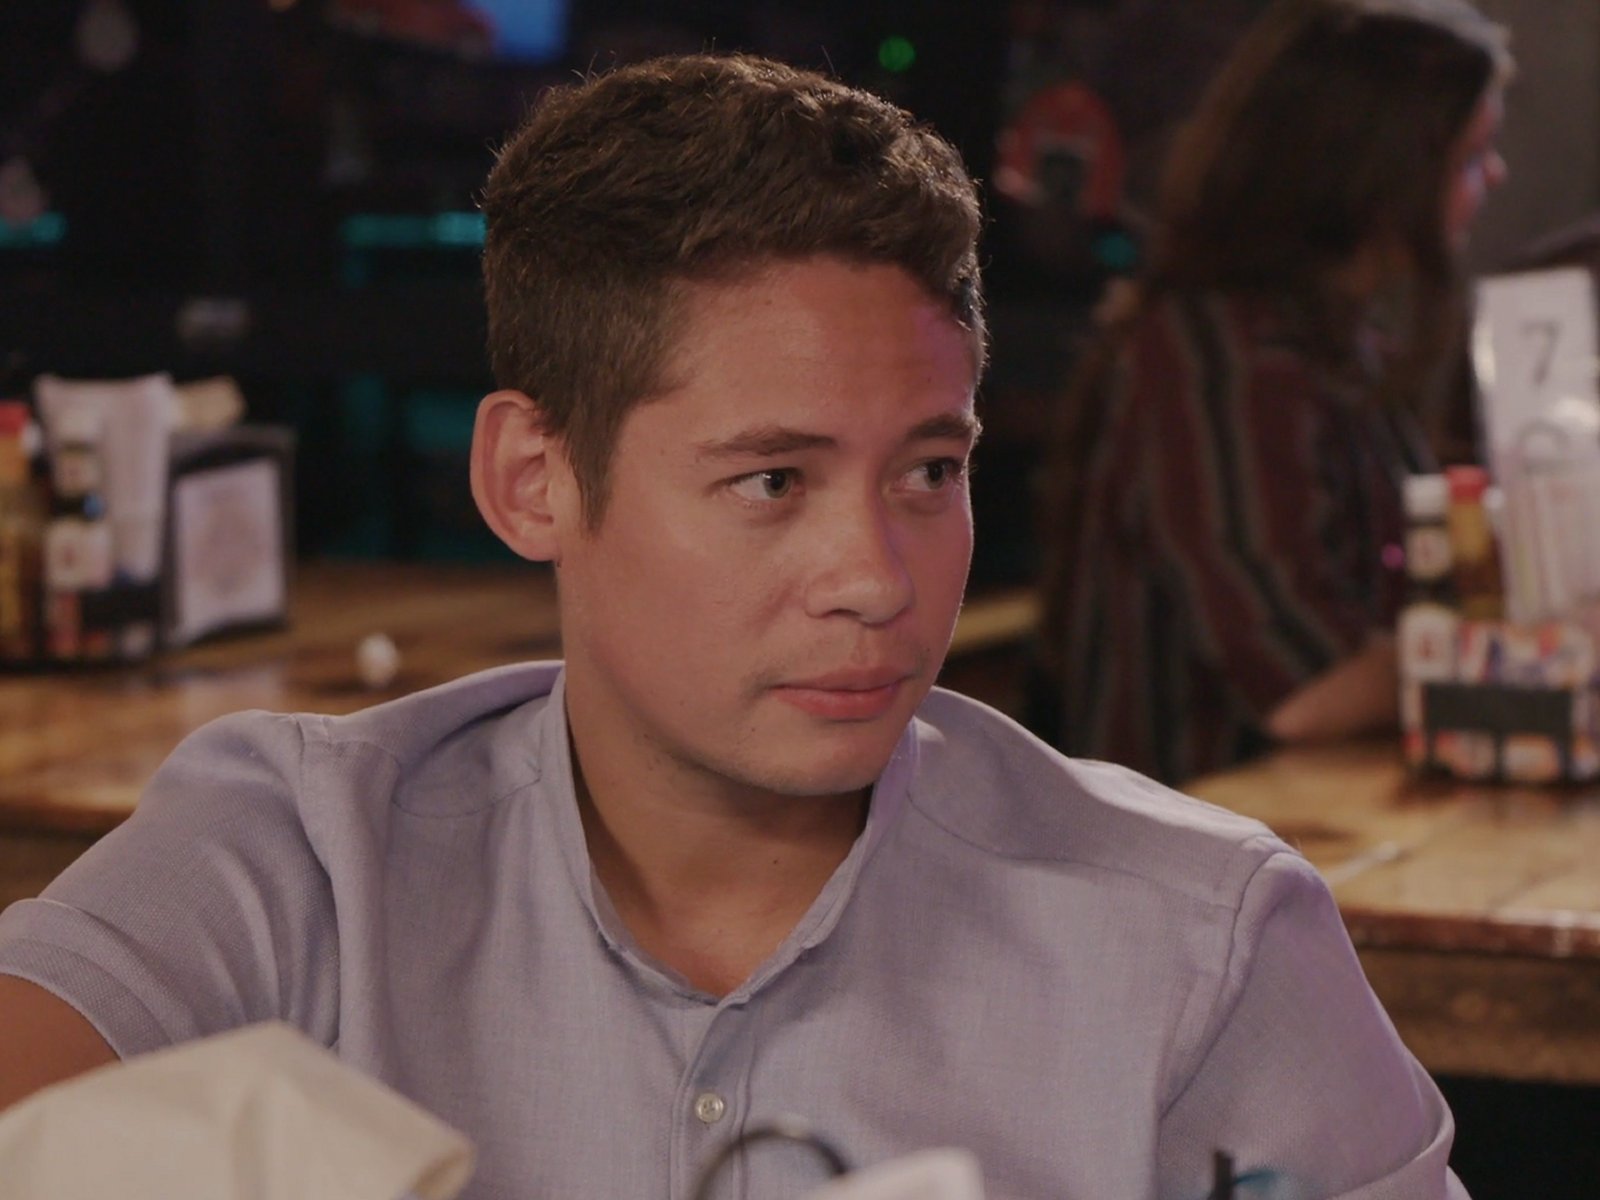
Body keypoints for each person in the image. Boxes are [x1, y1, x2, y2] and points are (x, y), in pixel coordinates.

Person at [0, 52, 1467, 1199]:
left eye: (929, 473)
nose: (876, 577)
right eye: (772, 481)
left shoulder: (1204, 944)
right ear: (532, 480)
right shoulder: (301, 858)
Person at [1029, 0, 1513, 785]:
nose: (1496, 177)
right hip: (1192, 836)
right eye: (1471, 158)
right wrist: (1518, 651)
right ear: (1378, 173)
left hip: (1317, 823)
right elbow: (1306, 690)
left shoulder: (1336, 345)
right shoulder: (1214, 359)